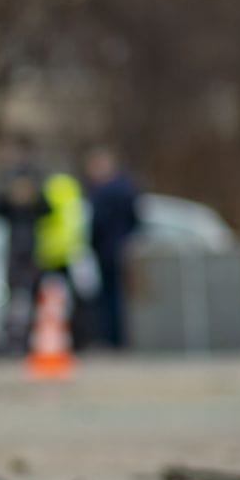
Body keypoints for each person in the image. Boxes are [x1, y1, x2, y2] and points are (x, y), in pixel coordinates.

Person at [0, 136, 50, 352]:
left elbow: (47, 209)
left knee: (32, 294)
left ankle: (30, 339)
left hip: (33, 245)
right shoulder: (5, 176)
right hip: (12, 244)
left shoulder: (37, 176)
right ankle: (10, 340)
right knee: (10, 294)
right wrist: (8, 196)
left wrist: (34, 196)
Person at [84, 146, 141, 348]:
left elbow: (96, 223)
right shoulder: (128, 188)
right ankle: (123, 338)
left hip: (106, 250)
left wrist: (91, 243)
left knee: (109, 297)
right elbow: (136, 219)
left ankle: (111, 338)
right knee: (122, 297)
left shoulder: (101, 191)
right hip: (124, 249)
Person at [36, 171, 89, 347]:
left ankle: (53, 343)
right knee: (70, 304)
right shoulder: (75, 200)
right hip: (71, 257)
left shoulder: (50, 197)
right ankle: (75, 341)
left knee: (49, 306)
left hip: (51, 258)